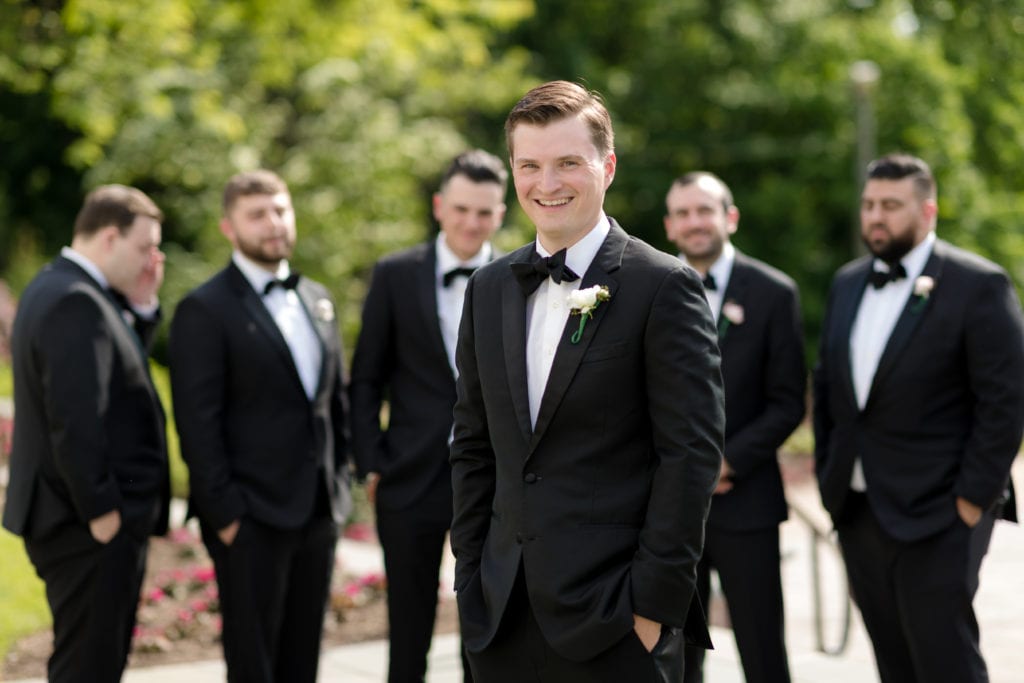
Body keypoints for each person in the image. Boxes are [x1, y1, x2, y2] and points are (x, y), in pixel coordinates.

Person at [449, 80, 725, 682]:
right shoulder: (488, 288)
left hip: (615, 619)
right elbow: (472, 443)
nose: (547, 184)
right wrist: (470, 576)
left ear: (608, 166)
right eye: (530, 165)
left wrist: (650, 608)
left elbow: (690, 456)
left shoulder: (664, 286)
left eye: (568, 163)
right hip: (500, 616)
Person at [813, 153, 1024, 683]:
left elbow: (1006, 401)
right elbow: (830, 387)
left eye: (890, 205)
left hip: (941, 511)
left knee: (945, 660)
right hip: (858, 509)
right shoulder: (847, 282)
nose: (875, 217)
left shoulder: (979, 284)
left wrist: (973, 501)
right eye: (868, 205)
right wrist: (829, 476)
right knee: (893, 660)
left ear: (927, 211)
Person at [169, 170, 352, 683]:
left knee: (303, 663)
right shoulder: (204, 309)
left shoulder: (317, 297)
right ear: (229, 227)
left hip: (317, 512)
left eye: (280, 209)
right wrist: (226, 516)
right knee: (253, 667)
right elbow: (196, 424)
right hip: (249, 521)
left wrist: (339, 487)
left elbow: (333, 400)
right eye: (257, 214)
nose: (273, 223)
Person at [349, 149, 507, 682]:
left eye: (484, 213)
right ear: (440, 206)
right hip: (409, 476)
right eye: (461, 209)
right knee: (408, 629)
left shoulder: (523, 275)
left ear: (501, 214)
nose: (471, 222)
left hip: (494, 481)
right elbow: (366, 376)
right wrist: (372, 461)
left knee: (485, 628)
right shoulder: (396, 274)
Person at [3, 185, 169, 682]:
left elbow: (116, 378)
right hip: (86, 526)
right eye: (145, 248)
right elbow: (75, 419)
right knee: (88, 668)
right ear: (111, 237)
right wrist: (102, 513)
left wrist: (141, 306)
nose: (151, 260)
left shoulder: (67, 288)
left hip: (79, 521)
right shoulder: (75, 299)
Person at [664, 172, 804, 683]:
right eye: (683, 213)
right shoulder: (646, 288)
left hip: (747, 503)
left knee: (763, 647)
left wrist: (727, 461)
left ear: (730, 216)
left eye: (704, 210)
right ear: (669, 226)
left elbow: (787, 402)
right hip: (669, 508)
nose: (694, 222)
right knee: (673, 653)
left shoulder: (773, 292)